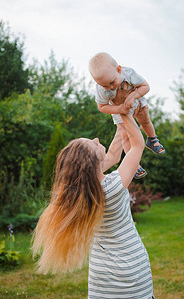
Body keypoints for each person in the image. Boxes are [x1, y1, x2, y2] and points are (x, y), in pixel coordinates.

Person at [31, 93, 155, 298]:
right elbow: (138, 145)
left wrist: (121, 116)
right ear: (93, 162)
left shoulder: (83, 188)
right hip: (131, 271)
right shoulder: (113, 187)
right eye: (94, 143)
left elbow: (115, 155)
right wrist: (125, 111)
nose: (97, 139)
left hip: (101, 275)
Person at [89, 52, 166, 179]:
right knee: (124, 135)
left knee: (145, 119)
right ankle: (134, 164)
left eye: (112, 82)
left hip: (136, 102)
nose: (110, 87)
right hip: (118, 109)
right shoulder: (101, 89)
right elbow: (102, 106)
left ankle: (152, 139)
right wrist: (120, 108)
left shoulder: (128, 73)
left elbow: (145, 86)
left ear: (118, 69)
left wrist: (133, 96)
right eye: (104, 85)